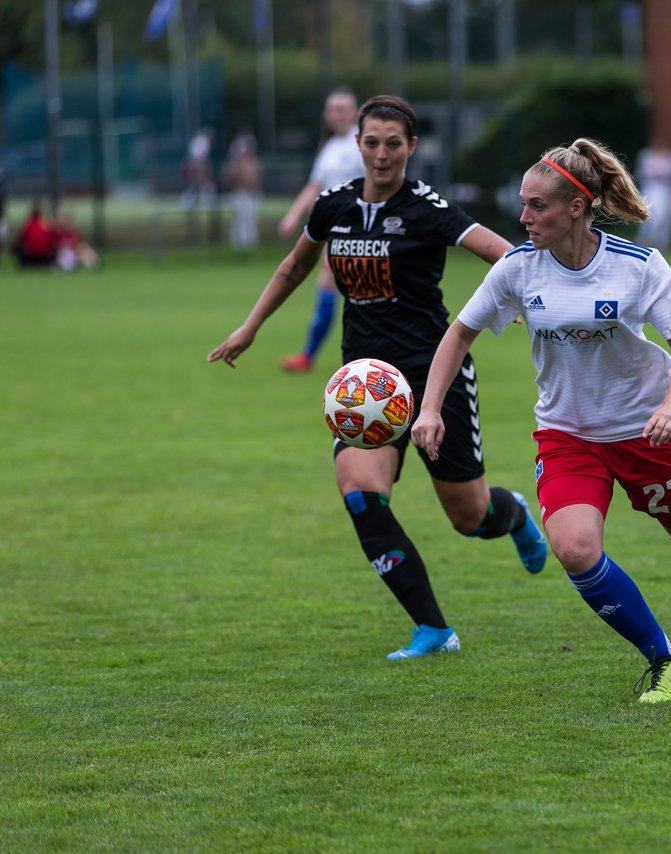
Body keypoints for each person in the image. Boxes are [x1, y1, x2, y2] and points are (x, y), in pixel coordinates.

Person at [410, 138, 671, 704]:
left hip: (647, 433)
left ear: (577, 209)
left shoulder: (638, 266)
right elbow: (459, 332)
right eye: (523, 203)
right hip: (567, 436)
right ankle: (666, 658)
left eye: (538, 206)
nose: (524, 217)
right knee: (575, 549)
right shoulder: (517, 269)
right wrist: (430, 408)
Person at [208, 95, 548, 661]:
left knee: (470, 517)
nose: (382, 154)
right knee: (361, 493)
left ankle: (511, 513)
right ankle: (433, 629)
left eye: (394, 144)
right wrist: (251, 326)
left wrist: (530, 301)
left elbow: (502, 252)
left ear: (411, 147)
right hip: (366, 386)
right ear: (357, 144)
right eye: (372, 143)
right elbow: (294, 266)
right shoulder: (333, 206)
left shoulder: (427, 208)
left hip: (434, 376)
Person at [278, 87, 365, 373]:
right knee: (332, 290)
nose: (336, 114)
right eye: (332, 109)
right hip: (333, 231)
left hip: (360, 231)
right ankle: (311, 356)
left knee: (355, 293)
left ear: (355, 112)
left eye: (342, 109)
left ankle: (319, 356)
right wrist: (293, 215)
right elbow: (315, 186)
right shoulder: (329, 147)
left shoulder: (361, 143)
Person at [635, 135, 671, 250]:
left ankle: (662, 242)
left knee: (664, 216)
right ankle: (646, 240)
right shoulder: (645, 155)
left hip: (664, 188)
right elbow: (641, 172)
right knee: (649, 214)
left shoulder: (669, 156)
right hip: (650, 188)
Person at [222, 129, 264, 251]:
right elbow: (228, 179)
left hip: (251, 195)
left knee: (250, 220)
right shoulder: (234, 164)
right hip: (239, 194)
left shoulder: (254, 163)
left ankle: (250, 245)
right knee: (238, 221)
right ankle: (238, 246)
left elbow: (256, 179)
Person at [12, 201, 58, 267]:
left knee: (19, 245)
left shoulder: (28, 224)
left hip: (32, 255)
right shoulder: (46, 223)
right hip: (44, 255)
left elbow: (20, 237)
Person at [180, 128, 217, 209]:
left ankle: (204, 198)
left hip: (194, 161)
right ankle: (194, 199)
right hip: (196, 162)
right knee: (197, 182)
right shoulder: (204, 141)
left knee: (199, 183)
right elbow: (201, 156)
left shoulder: (198, 140)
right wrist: (202, 165)